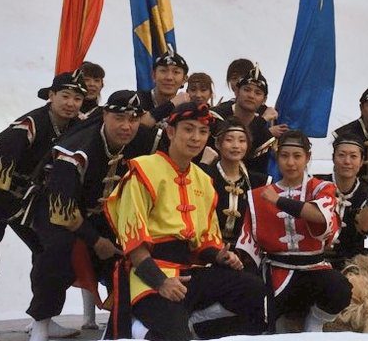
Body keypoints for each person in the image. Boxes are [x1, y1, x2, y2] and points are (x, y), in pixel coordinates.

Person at [103, 102, 268, 340]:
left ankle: (194, 324)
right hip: (148, 274)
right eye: (188, 129)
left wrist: (219, 255)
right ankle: (142, 329)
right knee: (175, 335)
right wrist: (161, 283)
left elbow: (204, 242)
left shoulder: (203, 179)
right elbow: (134, 245)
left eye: (202, 132)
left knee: (253, 291)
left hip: (190, 272)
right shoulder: (143, 170)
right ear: (171, 132)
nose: (196, 138)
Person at [0, 72, 86, 341]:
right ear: (51, 96)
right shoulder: (31, 123)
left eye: (77, 98)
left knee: (46, 248)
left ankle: (42, 319)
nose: (71, 103)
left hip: (26, 197)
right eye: (65, 96)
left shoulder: (76, 125)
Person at [25, 90, 143, 341]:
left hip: (104, 215)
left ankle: (123, 319)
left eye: (133, 119)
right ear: (104, 115)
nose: (126, 126)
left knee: (129, 251)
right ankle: (41, 325)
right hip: (56, 210)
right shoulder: (76, 151)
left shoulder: (139, 143)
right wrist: (96, 240)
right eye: (119, 118)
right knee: (57, 252)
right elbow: (62, 209)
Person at [236, 130, 352, 332]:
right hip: (276, 270)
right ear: (277, 157)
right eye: (284, 156)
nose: (291, 163)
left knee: (340, 289)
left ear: (307, 158)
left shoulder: (320, 187)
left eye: (297, 156)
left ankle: (315, 321)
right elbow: (248, 245)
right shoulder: (257, 195)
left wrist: (278, 200)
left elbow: (319, 216)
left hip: (315, 269)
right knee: (261, 319)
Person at [316, 136, 368, 269]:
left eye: (353, 156)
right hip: (315, 261)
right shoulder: (316, 186)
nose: (347, 161)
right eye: (341, 155)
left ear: (361, 161)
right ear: (333, 158)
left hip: (352, 263)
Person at [202, 117, 270, 245]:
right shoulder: (205, 176)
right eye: (229, 140)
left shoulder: (259, 182)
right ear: (218, 144)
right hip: (208, 249)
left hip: (245, 252)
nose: (236, 146)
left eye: (242, 141)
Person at [211, 64, 278, 176]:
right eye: (247, 90)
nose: (251, 96)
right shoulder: (217, 115)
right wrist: (262, 120)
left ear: (264, 100)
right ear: (237, 91)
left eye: (257, 93)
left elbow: (256, 171)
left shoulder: (265, 135)